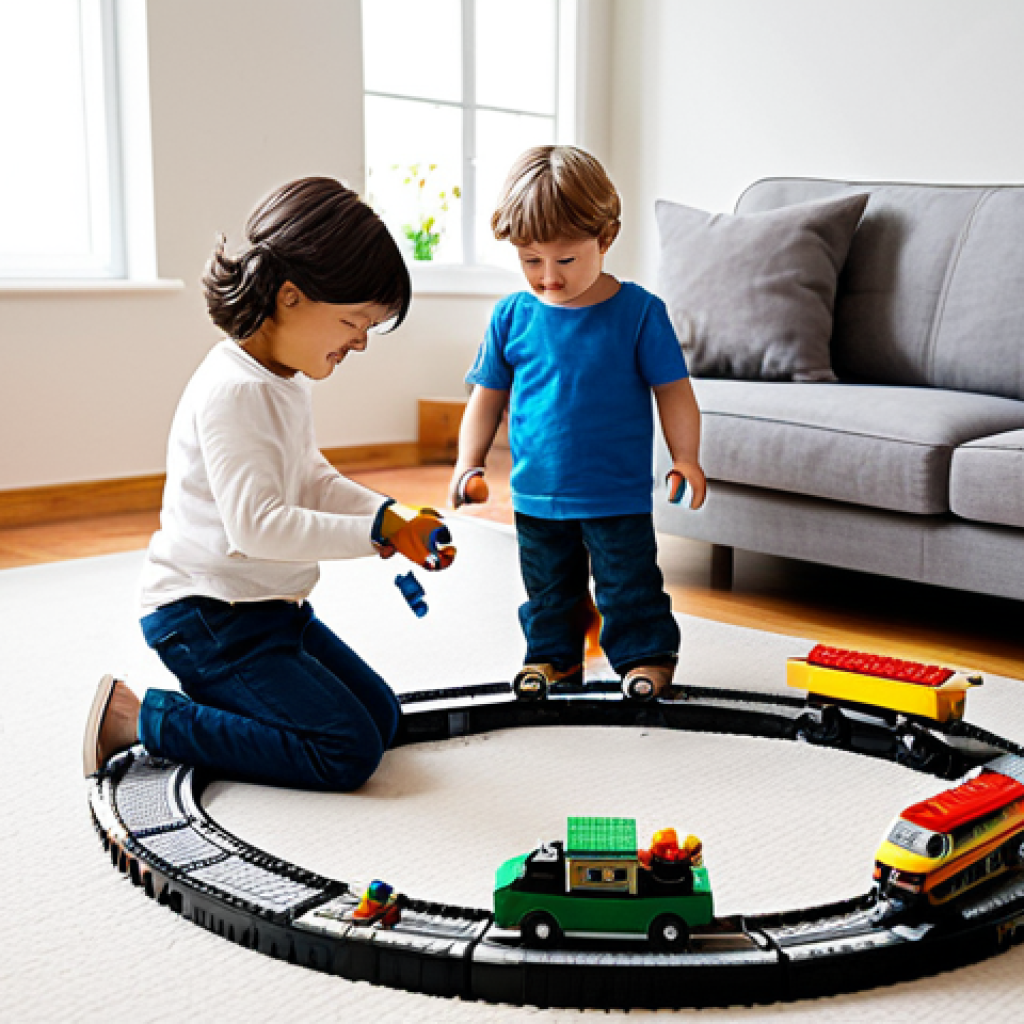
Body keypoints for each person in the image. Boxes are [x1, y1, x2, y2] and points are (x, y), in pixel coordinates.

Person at [83, 176, 454, 790]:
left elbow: (309, 475)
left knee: (381, 718)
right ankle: (137, 717)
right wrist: (372, 533)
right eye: (354, 322)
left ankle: (242, 709)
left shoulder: (281, 378)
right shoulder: (235, 390)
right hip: (206, 618)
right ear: (290, 298)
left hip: (268, 610)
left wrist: (390, 515)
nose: (360, 342)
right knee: (347, 751)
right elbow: (256, 527)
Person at [450, 146, 705, 700]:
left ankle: (646, 657)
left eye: (565, 261)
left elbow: (675, 392)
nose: (548, 277)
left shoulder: (639, 312)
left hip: (616, 493)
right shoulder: (511, 316)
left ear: (606, 238)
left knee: (627, 584)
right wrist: (468, 462)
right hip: (537, 494)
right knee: (547, 589)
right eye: (530, 261)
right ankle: (553, 658)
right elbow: (486, 398)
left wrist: (686, 457)